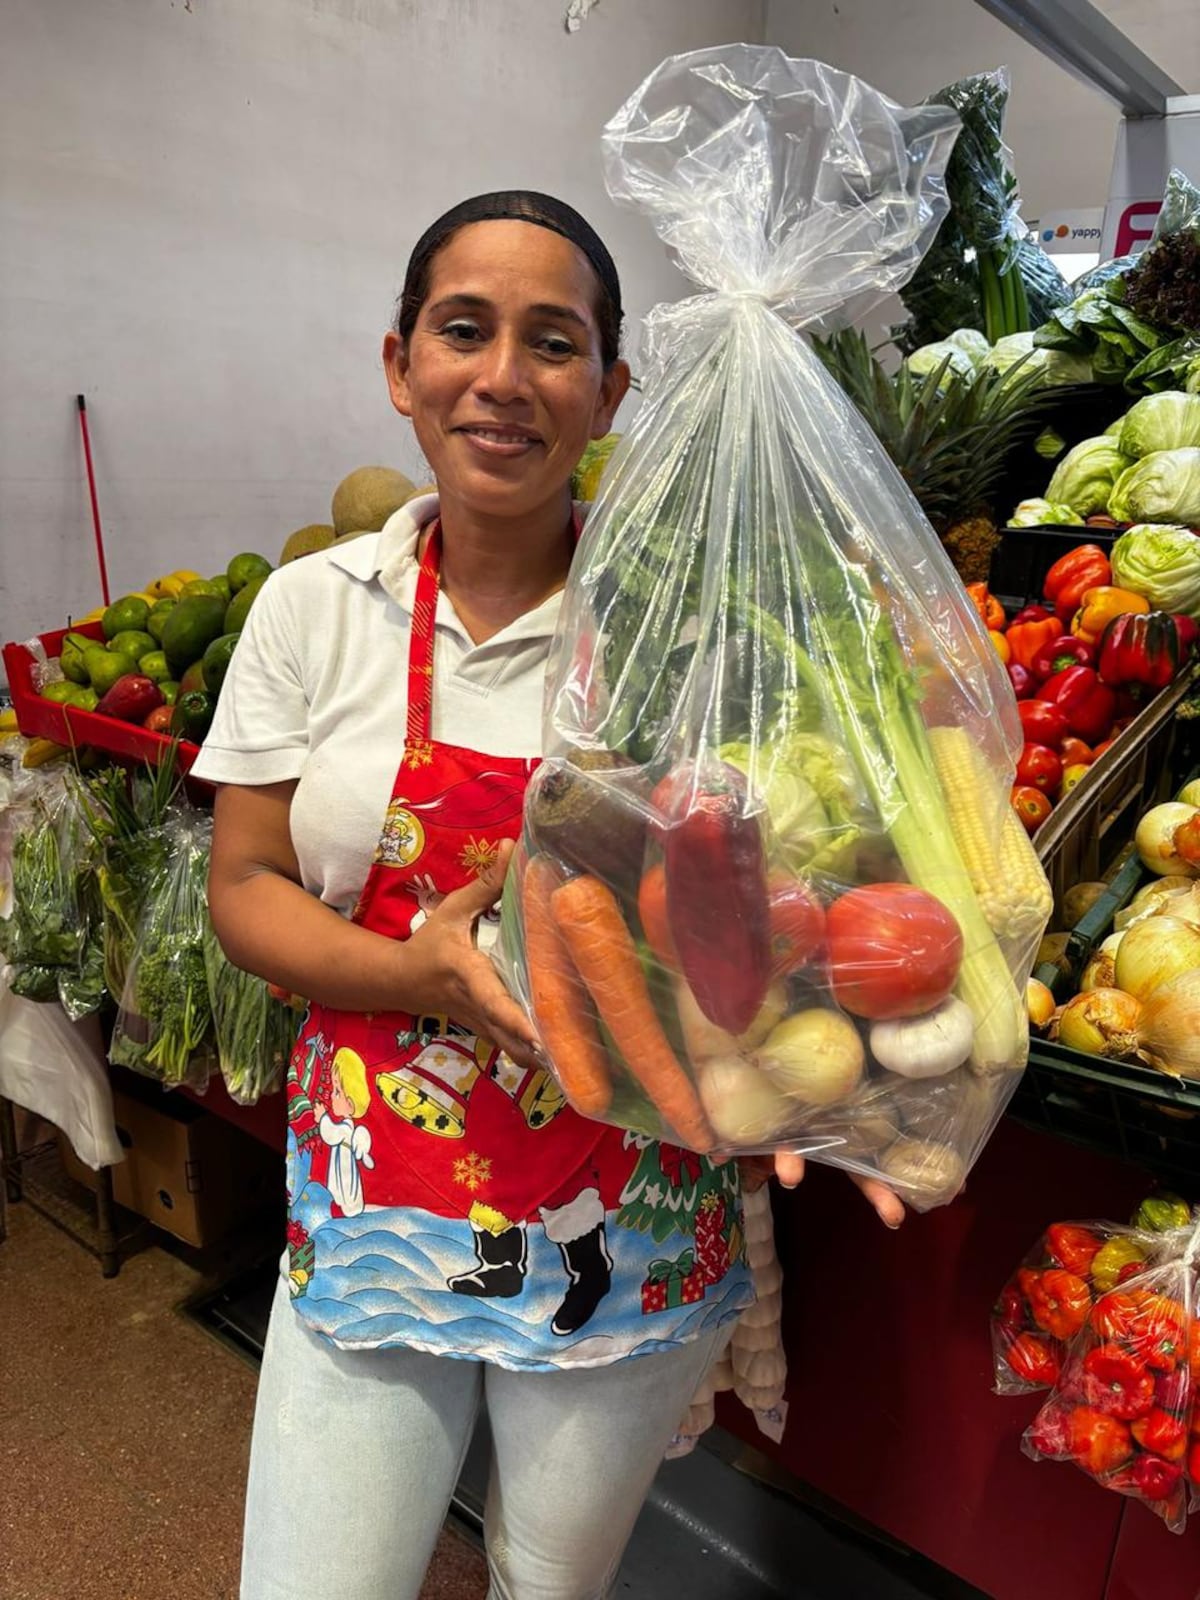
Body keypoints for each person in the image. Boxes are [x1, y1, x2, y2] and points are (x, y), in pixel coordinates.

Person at [198, 190, 904, 1600]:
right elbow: (245, 885)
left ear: (611, 391)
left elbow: (783, 902)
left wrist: (826, 1071)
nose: (504, 378)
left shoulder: (685, 626)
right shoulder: (319, 606)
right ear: (400, 364)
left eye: (555, 342)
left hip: (625, 1205)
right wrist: (417, 973)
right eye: (464, 331)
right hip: (378, 1206)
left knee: (550, 1580)